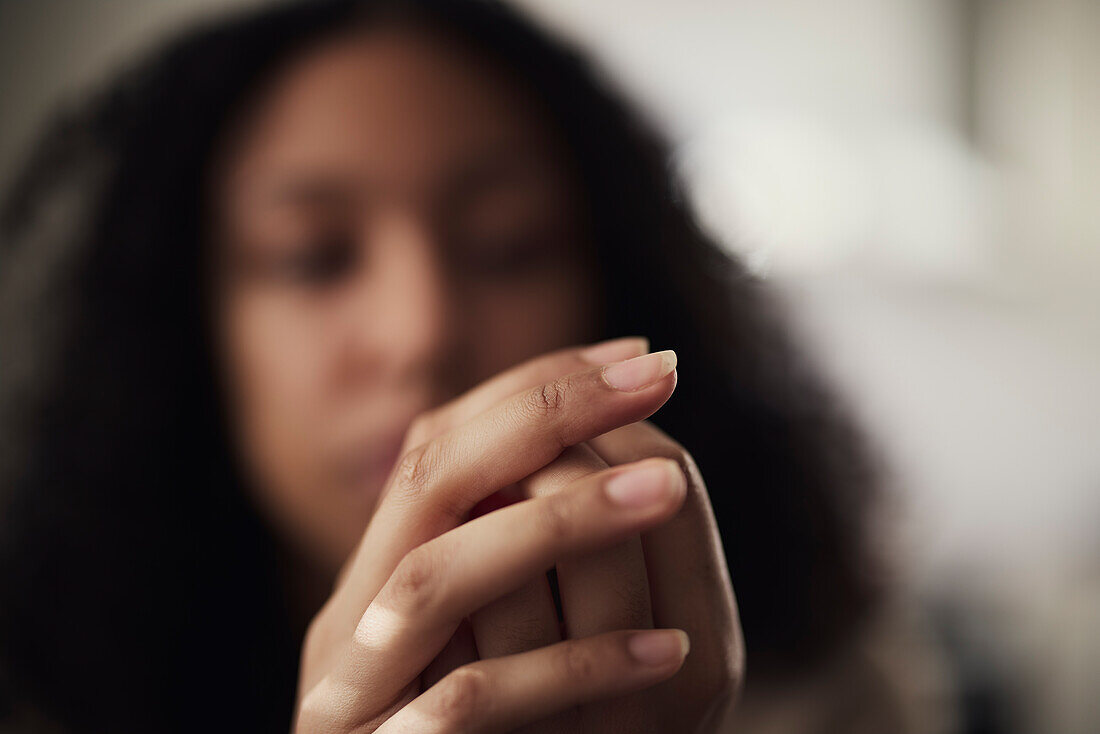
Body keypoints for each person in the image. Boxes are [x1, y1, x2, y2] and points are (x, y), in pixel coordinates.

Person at [0, 1, 894, 731]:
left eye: (509, 247)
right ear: (186, 326)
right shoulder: (45, 689)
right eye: (314, 257)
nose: (422, 330)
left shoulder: (817, 676)